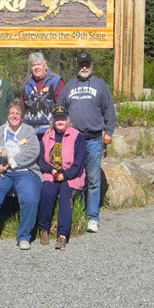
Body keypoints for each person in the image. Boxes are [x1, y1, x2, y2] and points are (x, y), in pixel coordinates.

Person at [57, 52, 117, 233]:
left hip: (93, 139)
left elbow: (109, 110)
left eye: (87, 64)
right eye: (81, 64)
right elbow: (60, 110)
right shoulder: (69, 86)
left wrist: (109, 131)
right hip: (73, 140)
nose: (84, 67)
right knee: (76, 178)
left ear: (92, 65)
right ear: (77, 66)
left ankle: (92, 218)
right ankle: (79, 214)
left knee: (93, 179)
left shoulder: (100, 85)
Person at [0, 102, 42, 251]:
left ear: (22, 117)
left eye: (17, 114)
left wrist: (11, 162)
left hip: (25, 170)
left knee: (30, 198)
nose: (14, 116)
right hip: (0, 171)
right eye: (12, 113)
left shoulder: (28, 131)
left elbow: (33, 151)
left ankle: (24, 236)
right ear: (7, 115)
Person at [38, 105, 86, 251]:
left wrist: (65, 175)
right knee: (47, 192)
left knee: (66, 195)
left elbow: (79, 163)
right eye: (57, 118)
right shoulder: (47, 136)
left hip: (71, 175)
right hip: (52, 173)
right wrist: (52, 171)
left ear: (67, 120)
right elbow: (41, 160)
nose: (60, 121)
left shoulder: (77, 136)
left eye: (63, 118)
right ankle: (43, 229)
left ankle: (62, 235)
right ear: (53, 121)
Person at [20, 52, 65, 139]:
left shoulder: (56, 81)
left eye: (39, 64)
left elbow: (62, 107)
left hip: (52, 131)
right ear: (30, 68)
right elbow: (21, 109)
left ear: (45, 65)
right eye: (33, 65)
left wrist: (54, 126)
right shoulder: (26, 85)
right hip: (30, 133)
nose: (36, 67)